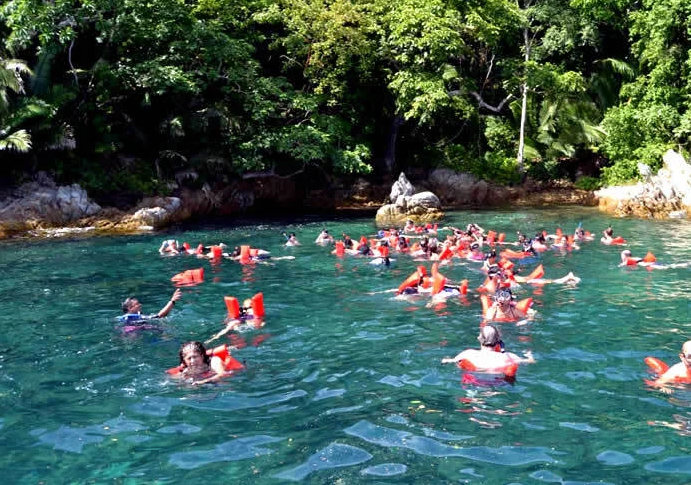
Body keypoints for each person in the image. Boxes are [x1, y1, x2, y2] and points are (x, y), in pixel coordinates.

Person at [440, 325, 535, 370]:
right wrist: (529, 355)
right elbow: (531, 362)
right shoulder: (509, 357)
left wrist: (446, 360)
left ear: (479, 338)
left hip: (475, 382)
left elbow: (447, 361)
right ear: (499, 341)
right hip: (498, 384)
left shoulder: (468, 354)